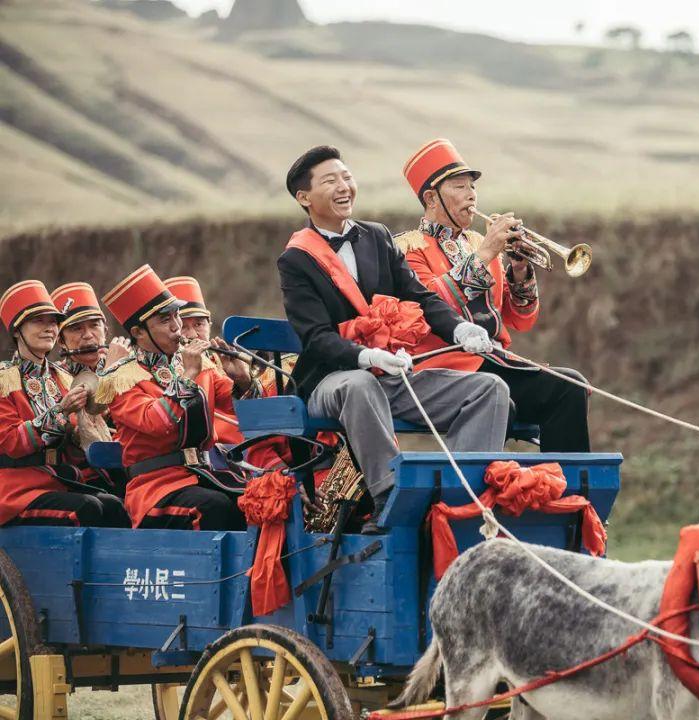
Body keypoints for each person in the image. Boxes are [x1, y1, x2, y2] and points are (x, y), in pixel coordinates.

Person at [278, 144, 511, 533]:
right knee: (360, 385)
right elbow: (316, 338)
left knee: (489, 389)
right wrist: (366, 357)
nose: (344, 187)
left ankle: (461, 502)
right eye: (330, 181)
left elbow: (417, 295)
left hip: (393, 375)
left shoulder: (376, 236)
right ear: (304, 198)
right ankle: (392, 500)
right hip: (334, 379)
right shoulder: (296, 259)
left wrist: (458, 328)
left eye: (347, 177)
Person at [397, 138, 590, 452]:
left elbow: (522, 321)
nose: (471, 194)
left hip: (495, 361)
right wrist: (486, 253)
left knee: (571, 385)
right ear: (432, 198)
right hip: (445, 371)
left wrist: (518, 268)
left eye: (472, 186)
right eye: (459, 187)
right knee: (538, 391)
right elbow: (430, 304)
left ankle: (565, 492)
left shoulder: (478, 242)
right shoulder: (407, 247)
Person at [97, 265, 244, 530]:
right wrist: (188, 375)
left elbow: (236, 411)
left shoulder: (200, 364)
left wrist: (243, 380)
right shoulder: (121, 377)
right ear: (138, 332)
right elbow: (158, 422)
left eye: (177, 316)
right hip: (155, 486)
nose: (179, 328)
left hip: (205, 474)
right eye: (166, 321)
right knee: (214, 506)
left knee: (257, 501)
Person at [0, 280, 127, 527]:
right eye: (39, 321)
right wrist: (61, 411)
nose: (49, 328)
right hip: (15, 488)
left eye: (53, 321)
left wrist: (83, 432)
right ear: (17, 331)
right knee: (87, 508)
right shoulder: (4, 380)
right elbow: (11, 442)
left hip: (60, 479)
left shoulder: (64, 378)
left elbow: (73, 441)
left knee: (115, 506)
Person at [163, 275, 256, 445]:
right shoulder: (165, 365)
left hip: (244, 442)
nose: (192, 335)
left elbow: (250, 411)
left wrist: (244, 379)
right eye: (184, 327)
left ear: (210, 325)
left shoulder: (224, 360)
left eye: (199, 325)